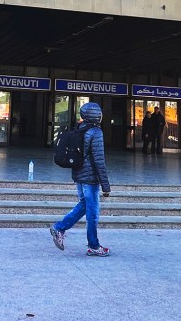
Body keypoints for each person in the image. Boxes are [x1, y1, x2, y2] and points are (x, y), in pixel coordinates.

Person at [48, 102, 112, 257]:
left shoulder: (82, 129)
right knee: (93, 213)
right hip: (90, 178)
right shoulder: (96, 132)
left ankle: (60, 228)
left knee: (85, 205)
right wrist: (106, 185)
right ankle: (93, 245)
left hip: (78, 175)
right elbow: (98, 160)